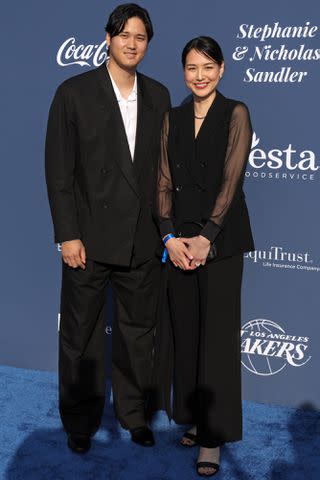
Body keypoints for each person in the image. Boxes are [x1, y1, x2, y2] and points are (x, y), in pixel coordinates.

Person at [45, 3, 170, 453]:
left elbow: (161, 173)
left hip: (142, 240)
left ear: (147, 44)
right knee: (80, 336)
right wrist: (67, 234)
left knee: (139, 336)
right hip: (88, 239)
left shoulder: (158, 95)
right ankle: (80, 423)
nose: (132, 44)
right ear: (109, 39)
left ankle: (134, 415)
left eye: (140, 37)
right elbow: (59, 171)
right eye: (124, 36)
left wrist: (166, 232)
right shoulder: (73, 92)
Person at [157, 36, 254, 476]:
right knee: (187, 334)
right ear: (184, 72)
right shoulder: (172, 118)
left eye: (208, 67)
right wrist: (169, 237)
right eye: (192, 68)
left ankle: (212, 438)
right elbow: (161, 180)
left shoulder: (235, 113)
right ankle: (195, 419)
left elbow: (232, 180)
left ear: (222, 70)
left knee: (215, 340)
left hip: (222, 241)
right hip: (179, 243)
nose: (200, 76)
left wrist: (207, 238)